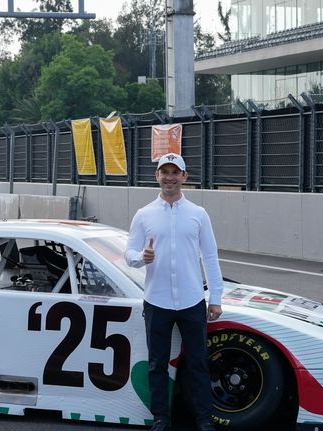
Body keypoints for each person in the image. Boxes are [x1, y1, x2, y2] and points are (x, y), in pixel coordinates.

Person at [124, 153, 223, 431]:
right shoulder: (144, 215)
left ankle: (204, 419)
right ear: (157, 176)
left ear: (184, 177)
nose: (169, 177)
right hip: (157, 301)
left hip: (192, 301)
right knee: (157, 364)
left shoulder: (198, 214)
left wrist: (215, 297)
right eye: (164, 172)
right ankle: (160, 418)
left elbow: (211, 257)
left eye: (174, 172)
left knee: (198, 363)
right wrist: (141, 257)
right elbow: (128, 254)